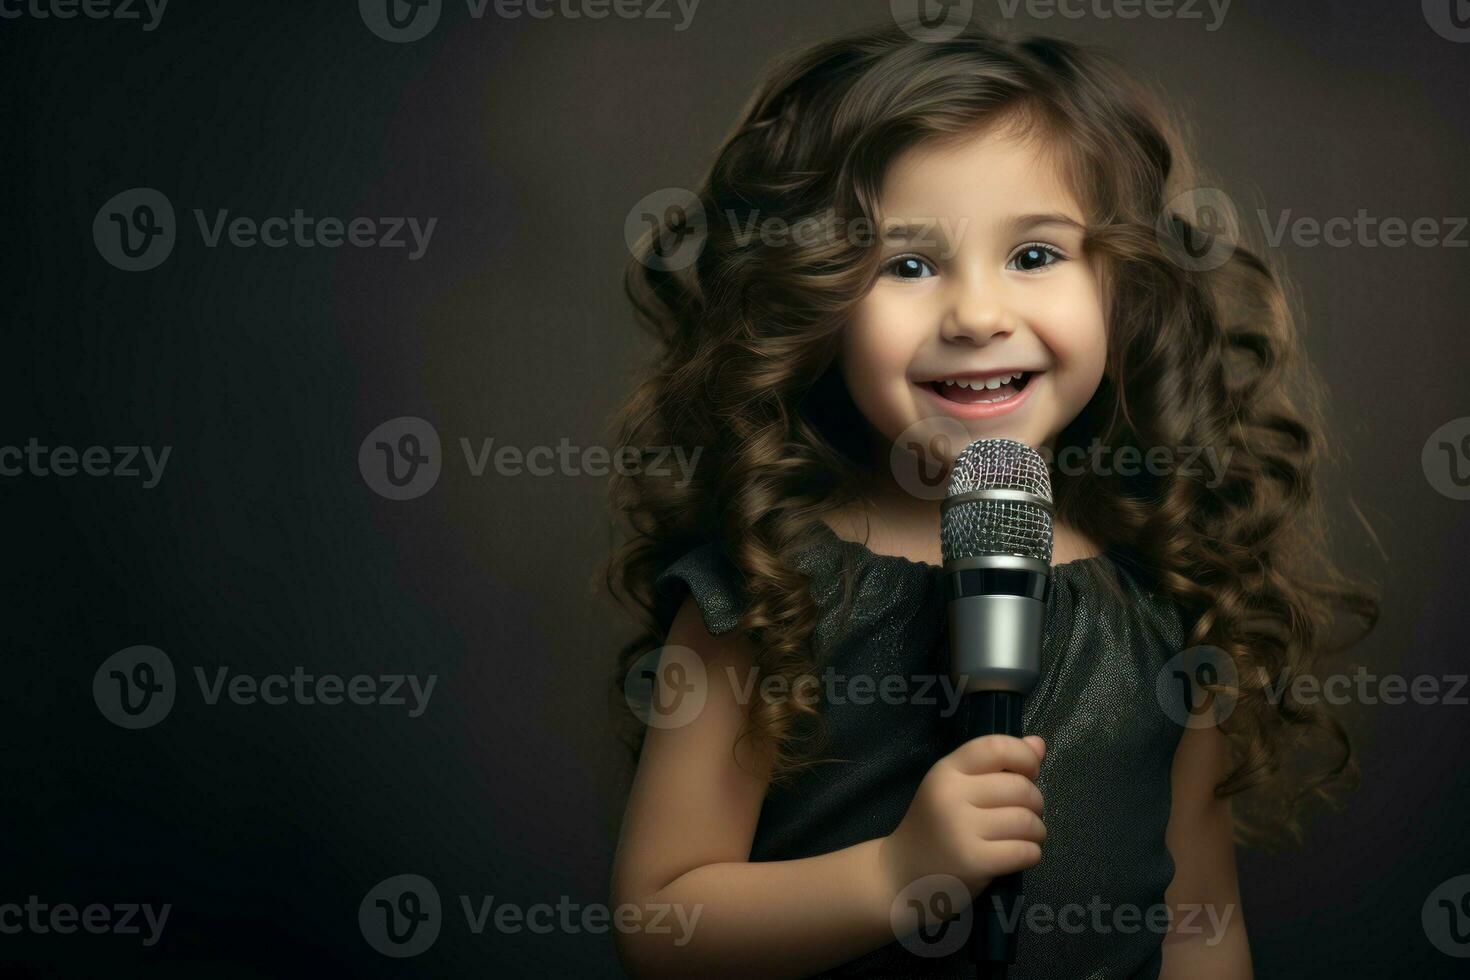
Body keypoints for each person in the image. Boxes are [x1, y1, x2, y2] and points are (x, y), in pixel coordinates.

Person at [605, 18, 1377, 979]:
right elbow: (660, 919)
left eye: (1037, 255)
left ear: (1123, 284)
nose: (976, 315)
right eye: (909, 265)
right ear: (814, 301)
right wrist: (896, 873)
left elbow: (1200, 916)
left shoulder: (1169, 593)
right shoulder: (763, 587)